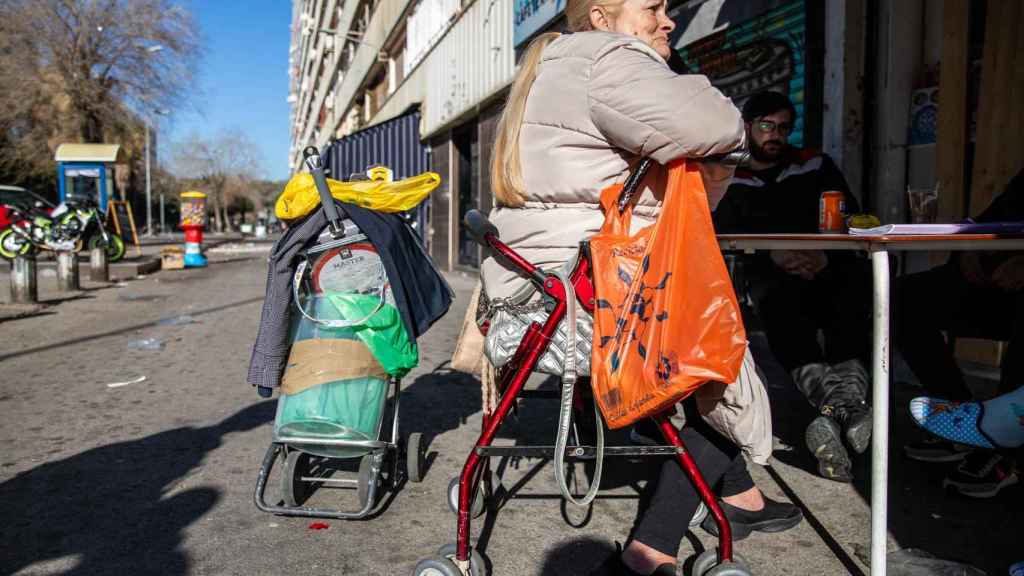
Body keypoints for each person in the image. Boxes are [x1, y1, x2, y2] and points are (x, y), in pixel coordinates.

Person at [480, 2, 799, 574]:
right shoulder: (608, 58)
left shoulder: (554, 64)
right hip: (591, 299)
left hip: (536, 293)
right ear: (601, 17)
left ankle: (741, 496)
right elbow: (722, 126)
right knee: (716, 356)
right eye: (651, 8)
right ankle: (649, 552)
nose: (667, 20)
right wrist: (681, 77)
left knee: (706, 340)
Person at [712, 91, 873, 483]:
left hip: (822, 266)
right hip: (767, 273)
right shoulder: (727, 171)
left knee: (851, 293)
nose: (776, 135)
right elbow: (719, 228)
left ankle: (837, 410)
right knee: (782, 305)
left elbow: (847, 214)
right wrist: (772, 253)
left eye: (784, 127)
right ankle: (847, 407)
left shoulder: (813, 164)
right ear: (747, 125)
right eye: (767, 126)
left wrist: (825, 255)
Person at [896, 168, 1023, 497]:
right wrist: (967, 251)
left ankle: (1005, 446)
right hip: (998, 288)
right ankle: (962, 422)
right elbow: (987, 223)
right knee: (902, 298)